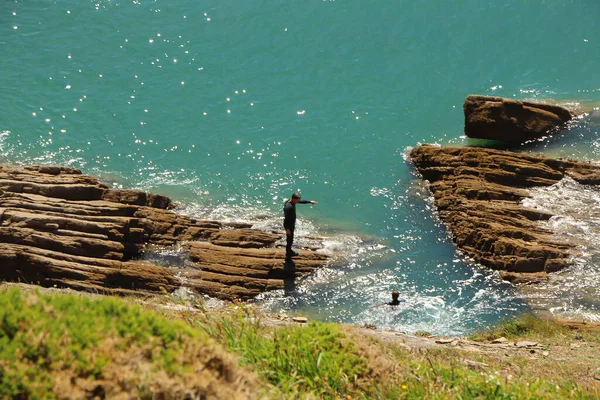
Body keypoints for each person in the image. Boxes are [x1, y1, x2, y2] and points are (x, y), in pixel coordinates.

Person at [283, 192, 317, 258]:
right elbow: (286, 218)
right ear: (294, 199)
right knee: (289, 239)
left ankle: (289, 251)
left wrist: (310, 201)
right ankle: (288, 253)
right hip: (289, 225)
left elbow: (301, 202)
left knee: (290, 239)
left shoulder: (291, 201)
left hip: (291, 223)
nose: (298, 201)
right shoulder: (288, 207)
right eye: (297, 200)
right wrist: (287, 229)